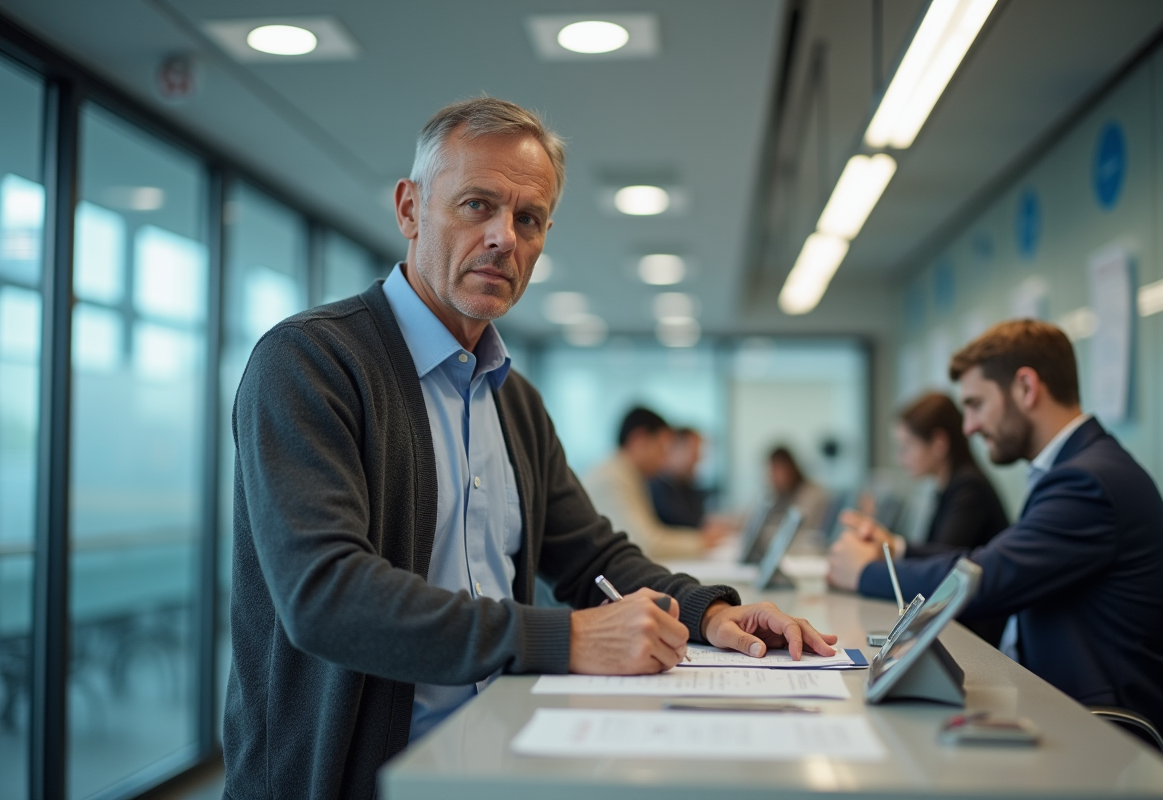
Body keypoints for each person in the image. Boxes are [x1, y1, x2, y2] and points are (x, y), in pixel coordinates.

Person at [223, 98, 836, 800]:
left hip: (500, 753)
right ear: (410, 208)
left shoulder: (514, 400)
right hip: (356, 778)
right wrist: (563, 639)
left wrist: (709, 612)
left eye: (528, 219)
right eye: (477, 205)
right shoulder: (310, 364)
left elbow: (592, 558)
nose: (503, 238)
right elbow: (326, 596)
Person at [828, 320, 1163, 737]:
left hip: (1105, 730)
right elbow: (996, 555)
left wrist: (867, 572)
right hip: (1053, 697)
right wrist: (897, 550)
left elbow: (987, 577)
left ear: (1026, 388)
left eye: (976, 404)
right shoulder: (1077, 468)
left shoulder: (1088, 482)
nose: (969, 427)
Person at [877, 392, 1010, 644]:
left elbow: (942, 561)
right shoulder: (949, 485)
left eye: (906, 447)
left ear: (939, 443)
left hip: (976, 635)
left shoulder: (969, 487)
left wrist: (892, 548)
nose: (900, 458)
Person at [583, 409, 727, 560]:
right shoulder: (611, 478)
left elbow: (651, 535)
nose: (664, 459)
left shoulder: (627, 474)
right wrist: (702, 541)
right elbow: (646, 544)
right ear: (639, 439)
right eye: (662, 449)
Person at [649, 427, 708, 527]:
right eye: (693, 453)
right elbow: (688, 523)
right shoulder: (656, 485)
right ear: (673, 449)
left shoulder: (683, 484)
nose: (697, 459)